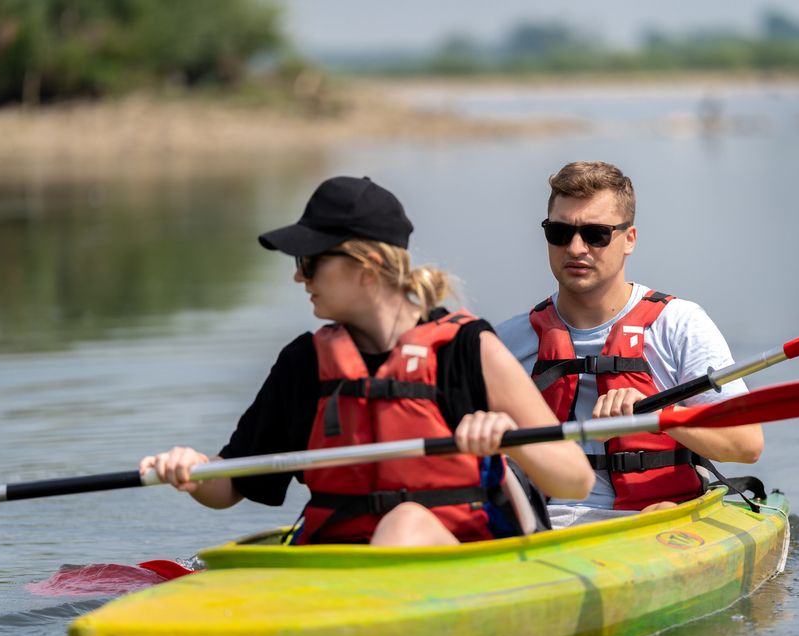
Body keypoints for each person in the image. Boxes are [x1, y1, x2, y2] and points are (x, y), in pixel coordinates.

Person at [140, 176, 593, 547]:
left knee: (405, 523)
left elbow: (575, 481)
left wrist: (510, 440)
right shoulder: (304, 363)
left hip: (458, 562)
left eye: (311, 260)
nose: (299, 275)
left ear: (368, 266)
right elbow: (231, 486)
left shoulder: (467, 349)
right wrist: (193, 470)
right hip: (341, 564)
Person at [496, 161, 763, 529]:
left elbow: (746, 445)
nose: (575, 248)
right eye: (559, 232)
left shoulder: (680, 325)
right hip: (539, 524)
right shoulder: (507, 341)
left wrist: (659, 418)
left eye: (596, 234)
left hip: (652, 521)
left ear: (630, 239)